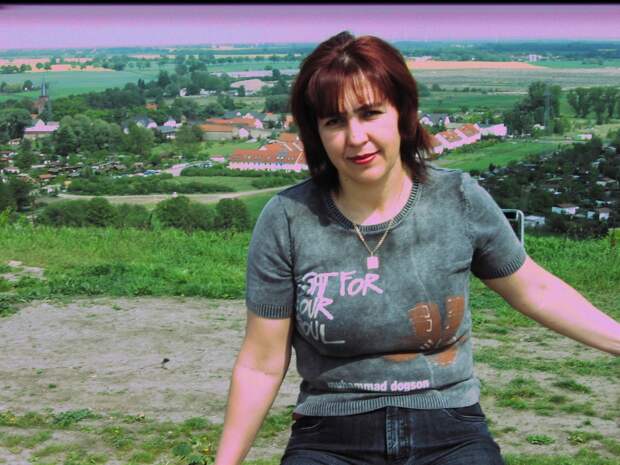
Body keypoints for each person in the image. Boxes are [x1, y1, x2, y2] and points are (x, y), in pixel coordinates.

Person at [214, 31, 620, 465]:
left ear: (403, 114)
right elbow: (260, 362)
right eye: (335, 121)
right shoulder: (288, 218)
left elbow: (535, 290)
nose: (355, 137)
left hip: (449, 427)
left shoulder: (458, 199)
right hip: (330, 436)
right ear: (317, 132)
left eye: (370, 113)